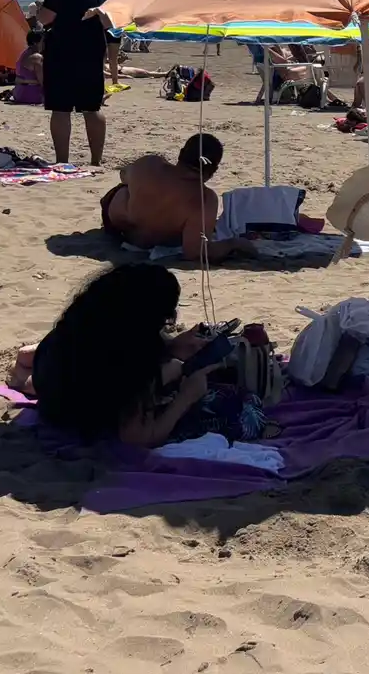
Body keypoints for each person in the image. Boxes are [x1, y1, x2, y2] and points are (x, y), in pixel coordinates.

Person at [23, 264, 225, 445]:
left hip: (48, 374)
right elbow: (138, 437)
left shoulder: (89, 320)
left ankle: (20, 370)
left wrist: (171, 346)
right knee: (171, 371)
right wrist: (187, 396)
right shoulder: (129, 362)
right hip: (66, 411)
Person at [99, 133, 256, 262]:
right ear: (213, 170)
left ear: (181, 154)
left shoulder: (150, 164)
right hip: (151, 240)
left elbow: (123, 175)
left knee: (127, 188)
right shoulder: (204, 199)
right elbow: (195, 252)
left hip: (115, 226)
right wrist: (234, 244)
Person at [36, 0, 111, 165]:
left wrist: (39, 8)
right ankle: (96, 160)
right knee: (92, 108)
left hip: (62, 51)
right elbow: (111, 22)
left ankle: (62, 160)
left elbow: (45, 18)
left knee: (61, 109)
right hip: (93, 51)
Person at [8, 29, 45, 105]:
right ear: (35, 42)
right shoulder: (37, 57)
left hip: (18, 94)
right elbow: (43, 82)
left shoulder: (24, 53)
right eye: (43, 41)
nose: (44, 43)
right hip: (31, 95)